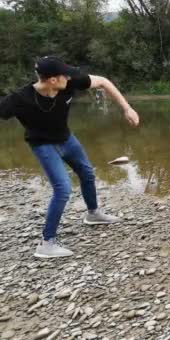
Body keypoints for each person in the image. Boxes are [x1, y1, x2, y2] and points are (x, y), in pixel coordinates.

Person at [0, 56, 140, 258]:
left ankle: (93, 214)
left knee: (87, 173)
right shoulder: (20, 99)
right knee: (63, 189)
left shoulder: (70, 83)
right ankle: (46, 244)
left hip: (67, 140)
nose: (69, 76)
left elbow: (103, 81)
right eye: (64, 74)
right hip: (42, 145)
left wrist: (127, 108)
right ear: (53, 80)